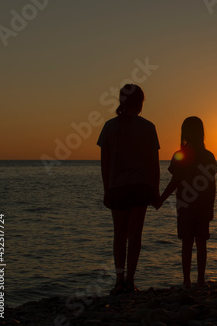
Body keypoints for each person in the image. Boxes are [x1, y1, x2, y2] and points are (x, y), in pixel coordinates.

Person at [97, 84, 160, 294]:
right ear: (140, 102)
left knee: (119, 235)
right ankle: (130, 281)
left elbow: (104, 164)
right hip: (141, 186)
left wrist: (107, 189)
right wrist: (156, 190)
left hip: (117, 187)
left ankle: (119, 280)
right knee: (135, 235)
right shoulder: (148, 127)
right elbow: (154, 163)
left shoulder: (109, 127)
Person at [156, 116, 217, 288]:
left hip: (185, 204)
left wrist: (161, 199)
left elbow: (175, 181)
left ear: (184, 133)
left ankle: (186, 281)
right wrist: (211, 206)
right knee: (201, 243)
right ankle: (200, 279)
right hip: (203, 204)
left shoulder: (180, 155)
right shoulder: (208, 155)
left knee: (187, 243)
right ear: (202, 133)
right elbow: (212, 184)